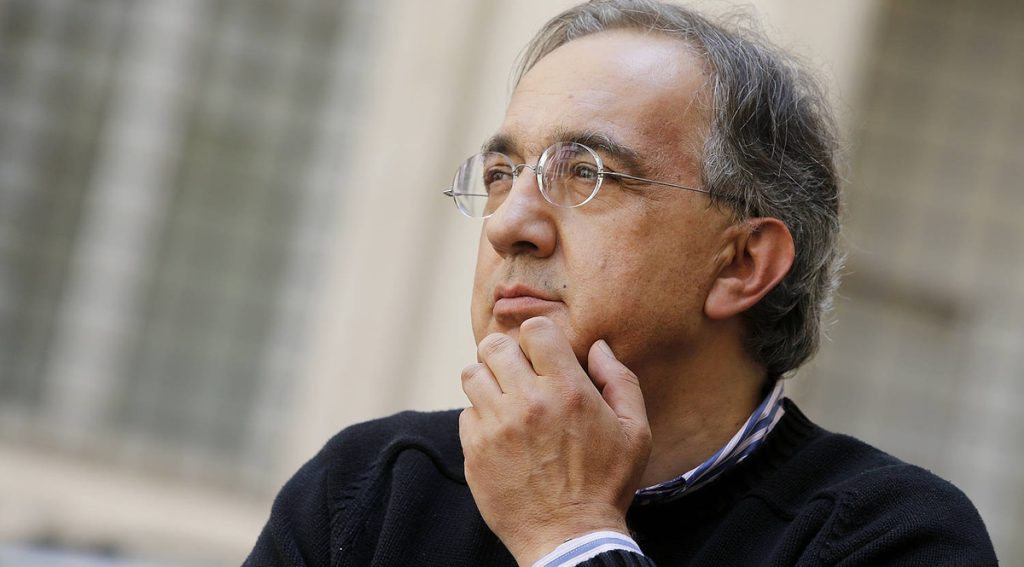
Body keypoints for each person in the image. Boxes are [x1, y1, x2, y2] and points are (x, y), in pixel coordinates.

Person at [246, 1, 997, 565]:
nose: (511, 224)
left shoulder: (894, 538)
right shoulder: (369, 489)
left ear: (742, 263)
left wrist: (568, 531)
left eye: (586, 173)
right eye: (503, 174)